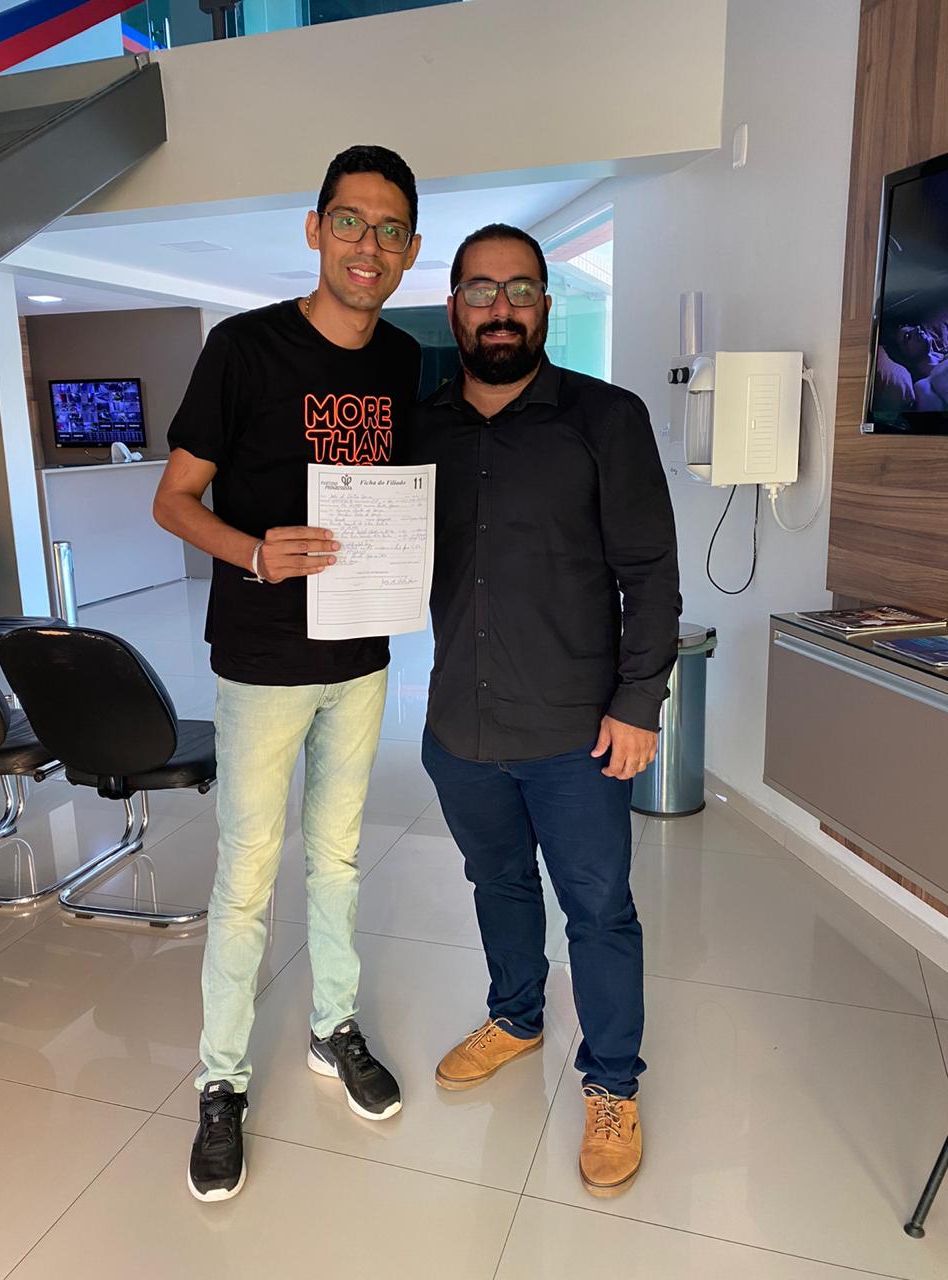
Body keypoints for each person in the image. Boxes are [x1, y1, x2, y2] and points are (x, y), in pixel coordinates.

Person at [153, 145, 422, 1202]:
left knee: (340, 859)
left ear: (410, 250)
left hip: (361, 655)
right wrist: (258, 552)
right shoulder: (242, 348)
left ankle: (332, 1025)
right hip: (263, 661)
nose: (368, 246)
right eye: (350, 222)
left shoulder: (402, 359)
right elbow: (174, 500)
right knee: (248, 875)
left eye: (390, 230)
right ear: (315, 230)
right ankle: (221, 1081)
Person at [410, 224, 680, 1198]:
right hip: (461, 725)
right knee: (497, 883)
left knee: (599, 910)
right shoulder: (419, 430)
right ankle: (518, 1016)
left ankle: (612, 1082)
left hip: (577, 734)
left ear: (545, 307)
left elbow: (651, 573)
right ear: (454, 307)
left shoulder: (606, 418)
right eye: (481, 290)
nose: (501, 308)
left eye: (520, 289)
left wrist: (639, 701)